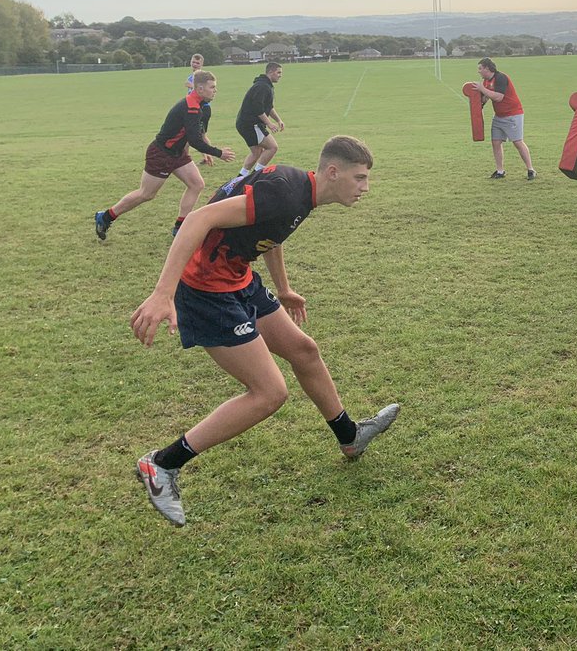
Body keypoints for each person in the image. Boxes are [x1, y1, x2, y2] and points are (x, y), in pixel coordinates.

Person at [130, 136, 401, 527]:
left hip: (237, 278)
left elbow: (270, 235)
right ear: (332, 172)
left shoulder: (302, 193)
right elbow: (198, 218)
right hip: (204, 288)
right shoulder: (286, 193)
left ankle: (349, 436)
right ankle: (161, 464)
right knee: (269, 393)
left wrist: (285, 288)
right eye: (359, 178)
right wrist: (162, 293)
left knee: (303, 350)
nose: (365, 187)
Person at [94, 70, 236, 241]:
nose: (215, 90)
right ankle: (105, 217)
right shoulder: (191, 108)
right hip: (161, 154)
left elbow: (196, 134)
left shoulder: (202, 107)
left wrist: (205, 151)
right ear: (199, 88)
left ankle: (180, 227)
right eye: (212, 87)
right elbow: (194, 140)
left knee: (196, 184)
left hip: (178, 154)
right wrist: (218, 152)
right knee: (146, 194)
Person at [475, 57, 535, 180]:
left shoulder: (501, 78)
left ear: (487, 68)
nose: (479, 71)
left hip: (513, 115)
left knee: (517, 142)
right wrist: (476, 102)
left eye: (480, 69)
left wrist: (482, 89)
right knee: (496, 142)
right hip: (499, 116)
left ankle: (531, 169)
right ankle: (500, 171)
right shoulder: (486, 81)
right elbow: (485, 99)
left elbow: (498, 97)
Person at [233, 62, 286, 182]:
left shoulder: (265, 85)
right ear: (271, 72)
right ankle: (256, 176)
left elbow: (269, 107)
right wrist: (269, 124)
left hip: (245, 123)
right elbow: (258, 109)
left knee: (256, 152)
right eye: (278, 72)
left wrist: (278, 120)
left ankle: (240, 179)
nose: (280, 75)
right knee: (272, 147)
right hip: (251, 124)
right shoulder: (262, 87)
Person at [185, 54, 213, 166]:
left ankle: (184, 159)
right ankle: (206, 157)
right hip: (195, 109)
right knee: (199, 135)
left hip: (202, 109)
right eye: (193, 62)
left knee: (197, 135)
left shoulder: (202, 77)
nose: (195, 65)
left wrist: (193, 86)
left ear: (202, 64)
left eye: (197, 63)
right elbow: (187, 85)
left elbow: (206, 91)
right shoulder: (192, 76)